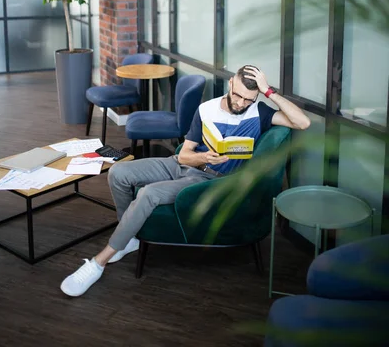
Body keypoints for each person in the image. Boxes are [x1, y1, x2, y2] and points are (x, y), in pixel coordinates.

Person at [60, 65, 310, 297]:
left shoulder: (260, 112)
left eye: (249, 98)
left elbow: (303, 122)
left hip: (209, 179)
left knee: (149, 194)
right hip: (182, 165)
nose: (242, 103)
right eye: (239, 95)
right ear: (231, 83)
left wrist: (268, 92)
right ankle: (129, 238)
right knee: (119, 173)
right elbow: (184, 154)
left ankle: (98, 263)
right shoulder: (207, 109)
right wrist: (204, 156)